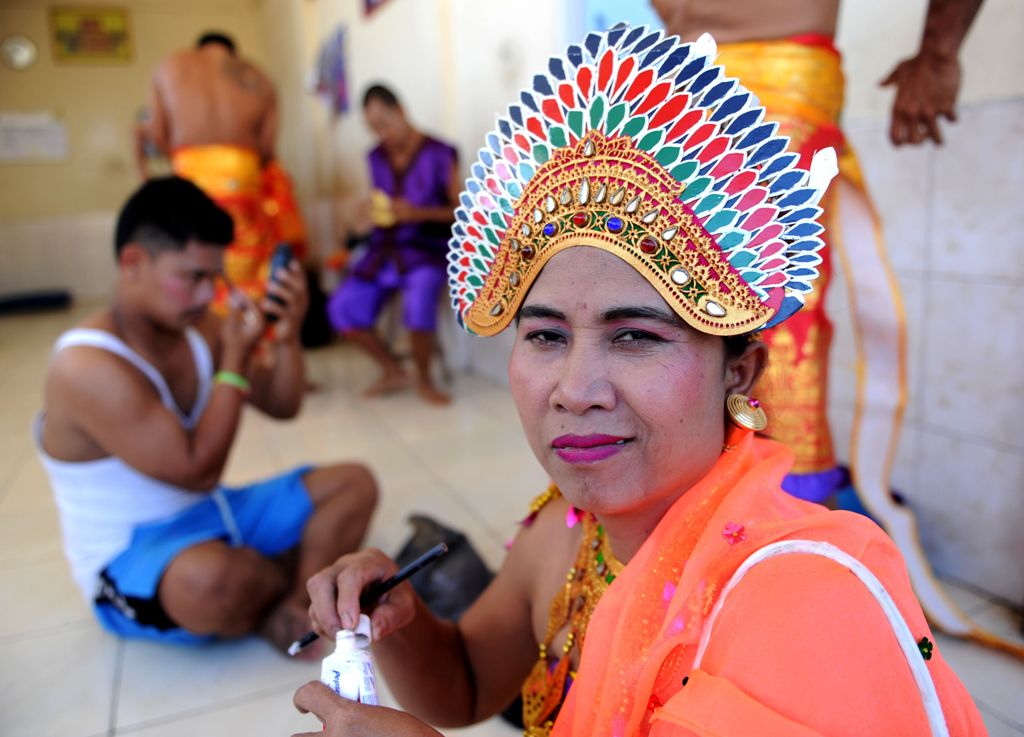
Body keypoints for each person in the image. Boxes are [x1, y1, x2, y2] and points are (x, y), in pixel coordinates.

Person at [291, 29, 985, 736]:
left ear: (737, 371)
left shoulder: (797, 595)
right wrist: (398, 621)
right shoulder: (566, 530)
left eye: (636, 335)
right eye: (545, 334)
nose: (575, 388)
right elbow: (468, 683)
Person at [649, 0, 993, 645]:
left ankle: (792, 578)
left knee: (776, 323)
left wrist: (939, 51)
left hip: (778, 73)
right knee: (676, 314)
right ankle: (691, 561)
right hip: (674, 85)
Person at [35, 177, 377, 654]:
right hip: (136, 552)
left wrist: (289, 332)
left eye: (213, 278)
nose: (205, 295)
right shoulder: (85, 365)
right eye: (192, 277)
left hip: (216, 513)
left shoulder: (200, 328)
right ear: (133, 262)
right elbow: (197, 470)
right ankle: (292, 580)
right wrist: (233, 364)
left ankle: (296, 601)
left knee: (354, 484)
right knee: (210, 583)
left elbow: (283, 405)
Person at [148, 31, 308, 310]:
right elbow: (267, 150)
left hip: (190, 177)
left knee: (194, 261)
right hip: (242, 176)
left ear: (199, 50)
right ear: (233, 53)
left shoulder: (171, 66)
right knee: (246, 264)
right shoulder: (259, 78)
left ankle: (204, 340)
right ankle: (247, 332)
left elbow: (158, 136)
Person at [326, 84, 458, 405]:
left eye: (384, 124)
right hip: (383, 251)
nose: (381, 135)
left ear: (401, 110)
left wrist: (418, 213)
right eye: (373, 129)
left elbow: (460, 211)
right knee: (340, 306)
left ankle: (425, 379)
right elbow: (378, 201)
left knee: (420, 296)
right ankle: (393, 370)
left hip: (426, 251)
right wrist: (366, 215)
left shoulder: (441, 152)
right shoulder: (375, 157)